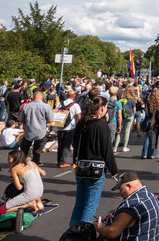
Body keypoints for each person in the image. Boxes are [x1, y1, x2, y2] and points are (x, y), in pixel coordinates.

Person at [70, 96, 119, 226]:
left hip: (81, 166)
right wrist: (114, 170)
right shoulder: (101, 125)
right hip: (96, 168)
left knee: (79, 202)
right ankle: (83, 232)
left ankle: (72, 230)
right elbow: (106, 150)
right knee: (90, 205)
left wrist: (75, 161)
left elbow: (75, 144)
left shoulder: (82, 123)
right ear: (102, 108)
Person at [94, 171, 159, 241]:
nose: (119, 192)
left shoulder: (131, 206)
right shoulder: (149, 194)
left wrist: (99, 228)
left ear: (129, 186)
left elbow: (112, 232)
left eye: (120, 189)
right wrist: (115, 216)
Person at [0, 150, 45, 214]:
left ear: (15, 159)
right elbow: (43, 173)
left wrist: (22, 183)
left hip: (30, 194)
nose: (7, 160)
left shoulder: (14, 168)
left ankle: (30, 204)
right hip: (40, 192)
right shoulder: (32, 163)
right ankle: (38, 200)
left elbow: (19, 187)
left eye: (9, 158)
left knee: (1, 211)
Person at [18, 89, 53, 165]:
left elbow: (20, 119)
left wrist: (26, 121)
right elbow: (50, 120)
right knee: (37, 149)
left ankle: (21, 162)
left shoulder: (26, 106)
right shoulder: (46, 106)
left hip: (29, 130)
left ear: (33, 97)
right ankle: (36, 162)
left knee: (24, 149)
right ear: (41, 97)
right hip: (41, 131)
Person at [56, 88, 82, 167]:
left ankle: (59, 161)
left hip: (60, 127)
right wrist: (78, 125)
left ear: (66, 95)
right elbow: (78, 116)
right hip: (70, 127)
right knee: (66, 145)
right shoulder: (75, 105)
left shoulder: (60, 104)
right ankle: (63, 162)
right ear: (74, 96)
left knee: (60, 144)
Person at [113, 86, 137, 153]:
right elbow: (134, 109)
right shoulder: (132, 100)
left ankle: (115, 147)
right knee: (127, 131)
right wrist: (132, 114)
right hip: (130, 116)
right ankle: (125, 147)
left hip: (122, 116)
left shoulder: (121, 99)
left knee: (120, 131)